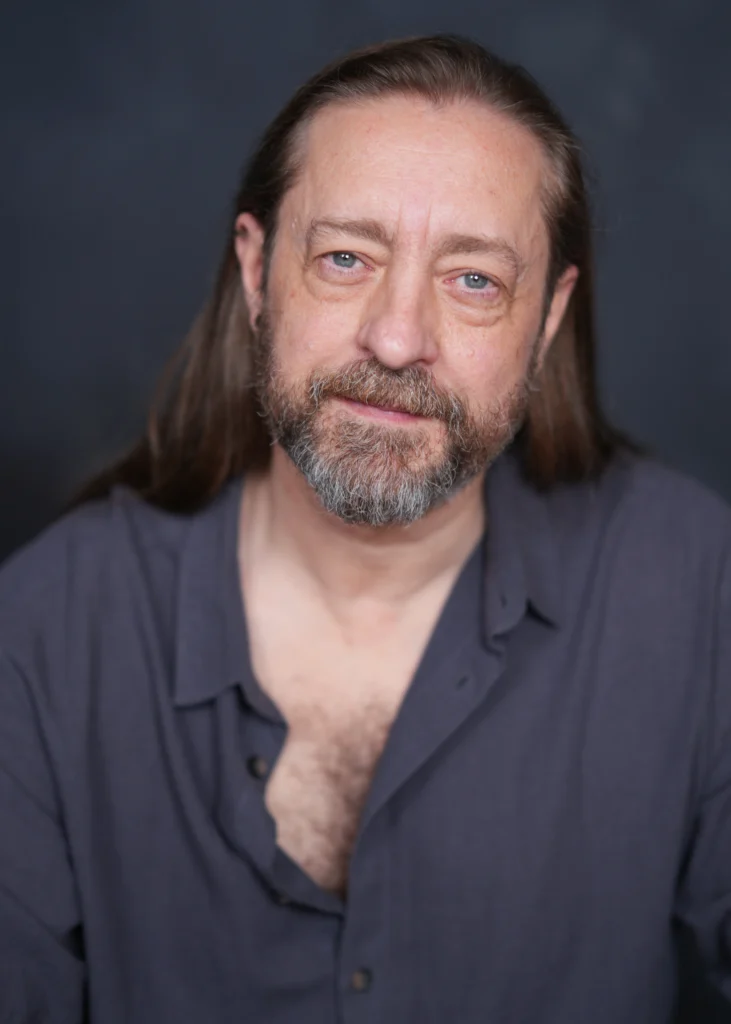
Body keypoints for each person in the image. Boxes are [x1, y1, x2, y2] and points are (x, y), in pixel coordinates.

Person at [0, 32, 729, 1024]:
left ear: (548, 318)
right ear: (256, 271)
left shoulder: (692, 586)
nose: (396, 338)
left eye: (472, 280)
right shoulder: (49, 627)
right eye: (345, 258)